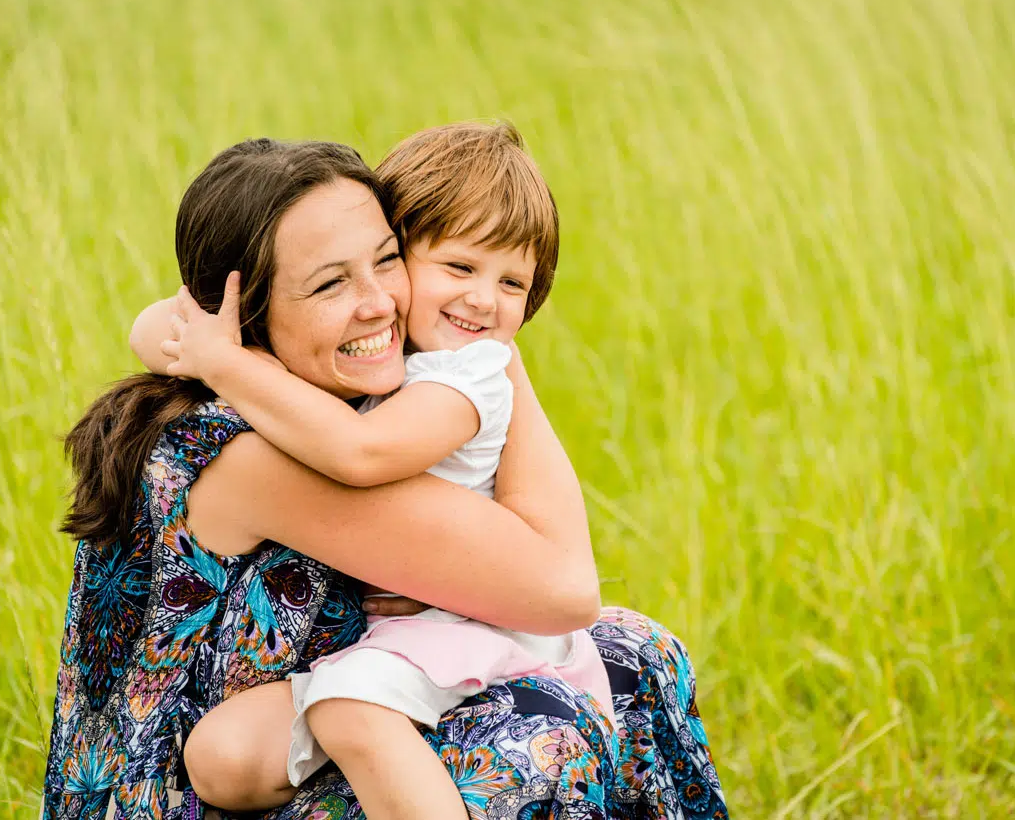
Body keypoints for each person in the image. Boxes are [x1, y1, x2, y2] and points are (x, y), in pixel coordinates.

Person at [43, 135, 728, 819]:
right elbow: (565, 588)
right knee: (545, 733)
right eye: (331, 282)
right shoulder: (251, 452)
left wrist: (490, 354)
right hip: (192, 795)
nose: (380, 305)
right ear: (245, 311)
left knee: (634, 650)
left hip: (319, 704)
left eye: (388, 260)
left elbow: (170, 319)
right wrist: (498, 361)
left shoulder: (290, 384)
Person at [148, 122, 616, 819]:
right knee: (222, 754)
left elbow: (360, 454)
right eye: (458, 269)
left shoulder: (463, 376)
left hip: (461, 624)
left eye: (513, 282)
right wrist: (199, 345)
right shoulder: (267, 426)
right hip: (418, 627)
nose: (484, 300)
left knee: (349, 711)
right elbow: (168, 320)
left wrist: (224, 361)